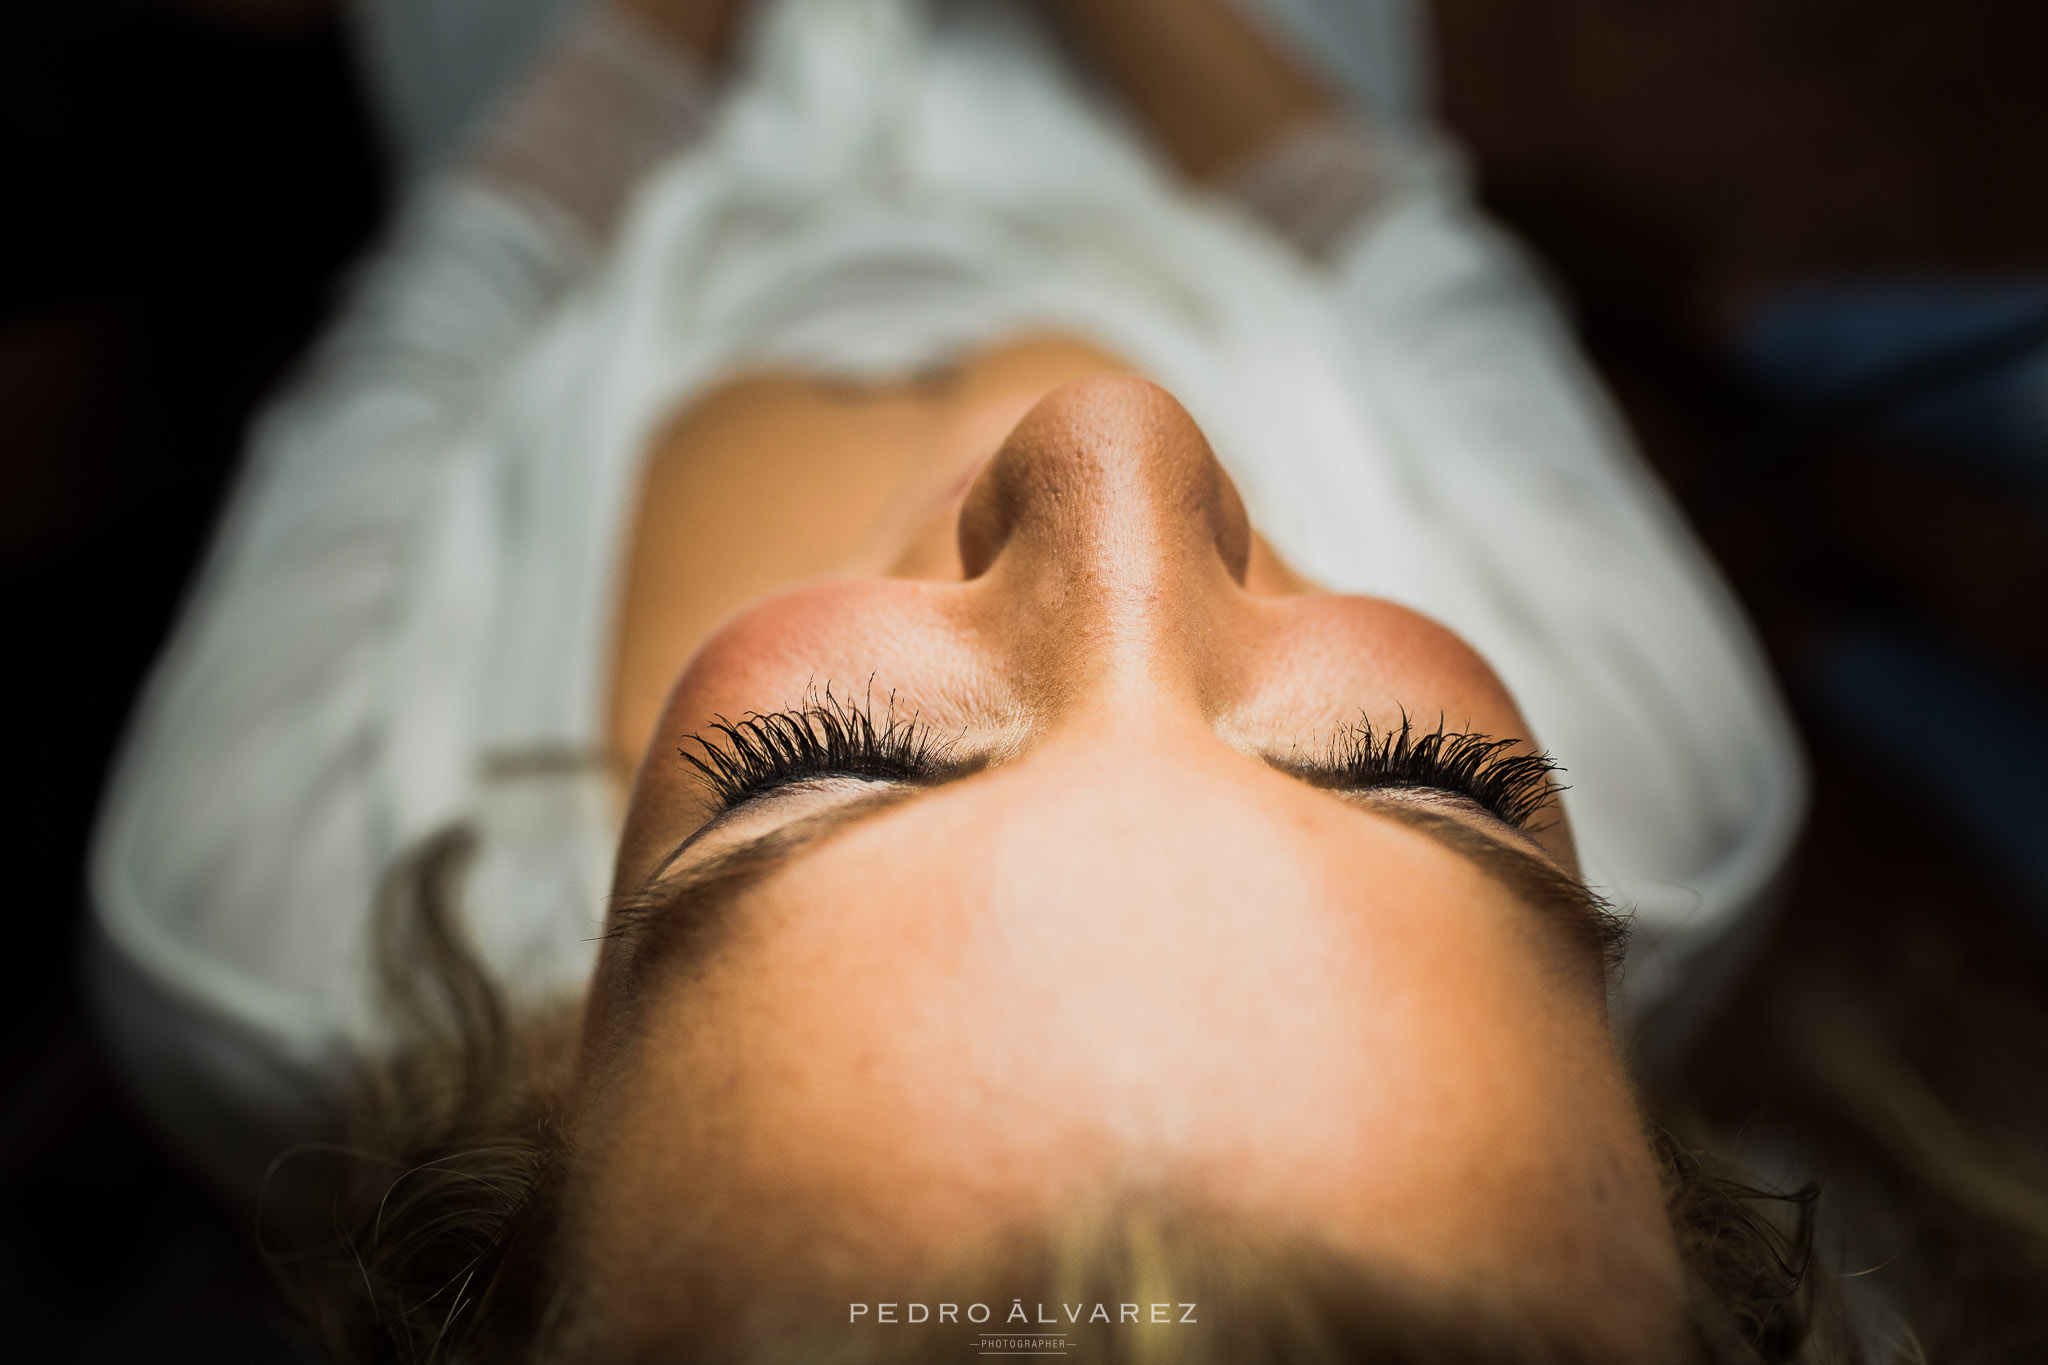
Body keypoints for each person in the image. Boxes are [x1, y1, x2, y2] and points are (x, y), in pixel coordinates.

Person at [87, 0, 1815, 1359]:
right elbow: (1393, 245)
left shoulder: (250, 920)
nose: (1112, 443)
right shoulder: (1669, 789)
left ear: (527, 1180)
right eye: (1402, 770)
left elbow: (442, 305)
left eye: (825, 759)